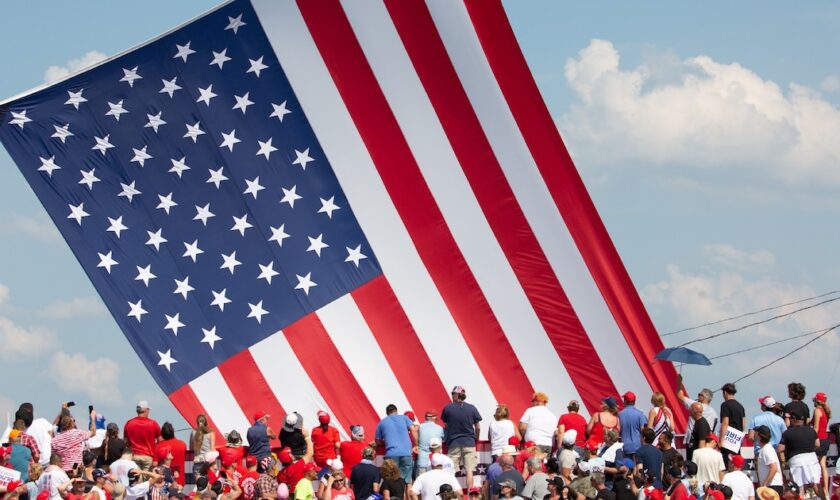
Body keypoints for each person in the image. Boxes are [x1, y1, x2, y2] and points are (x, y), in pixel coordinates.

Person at [440, 386, 482, 489]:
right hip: (469, 442)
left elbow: (446, 425)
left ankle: (450, 495)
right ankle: (470, 494)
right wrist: (476, 438)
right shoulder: (472, 408)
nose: (451, 396)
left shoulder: (448, 408)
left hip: (454, 443)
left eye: (452, 394)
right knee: (469, 471)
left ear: (456, 395)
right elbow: (478, 427)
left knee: (450, 471)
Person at [777, 410, 819, 494]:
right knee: (816, 485)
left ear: (794, 419)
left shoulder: (787, 433)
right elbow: (817, 444)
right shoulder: (811, 430)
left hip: (796, 460)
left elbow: (780, 449)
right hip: (812, 459)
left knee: (798, 487)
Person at [376, 404, 418, 487]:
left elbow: (377, 441)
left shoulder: (382, 422)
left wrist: (386, 443)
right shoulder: (405, 418)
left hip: (391, 454)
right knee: (407, 482)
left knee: (391, 480)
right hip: (406, 453)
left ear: (387, 413)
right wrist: (416, 444)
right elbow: (413, 429)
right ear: (396, 411)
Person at [51, 404, 97, 473]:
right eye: (74, 420)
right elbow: (93, 432)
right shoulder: (77, 434)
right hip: (75, 469)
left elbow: (54, 456)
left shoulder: (54, 440)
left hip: (62, 471)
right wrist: (92, 418)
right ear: (71, 424)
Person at [676, 376, 719, 442]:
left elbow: (680, 395)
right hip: (706, 441)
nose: (698, 396)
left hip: (692, 440)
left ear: (703, 397)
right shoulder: (714, 413)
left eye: (699, 395)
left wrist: (679, 382)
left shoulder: (695, 405)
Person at [124, 401, 160, 471]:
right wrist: (156, 458)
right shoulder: (153, 423)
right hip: (148, 456)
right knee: (148, 481)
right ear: (146, 410)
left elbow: (126, 442)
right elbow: (160, 442)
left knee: (136, 480)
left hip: (134, 456)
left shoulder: (129, 423)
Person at [278, 429, 314, 496]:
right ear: (291, 457)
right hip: (301, 495)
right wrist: (307, 437)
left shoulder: (280, 475)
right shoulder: (297, 466)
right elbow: (310, 453)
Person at [718, 384, 746, 467]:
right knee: (736, 463)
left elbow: (725, 423)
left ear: (725, 392)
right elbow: (744, 424)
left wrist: (721, 441)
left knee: (727, 464)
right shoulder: (740, 406)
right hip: (737, 440)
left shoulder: (725, 405)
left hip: (728, 440)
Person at [811, 392, 831, 500]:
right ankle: (826, 490)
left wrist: (813, 438)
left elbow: (816, 427)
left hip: (819, 439)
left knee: (814, 464)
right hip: (826, 439)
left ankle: (816, 487)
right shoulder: (826, 411)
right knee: (823, 464)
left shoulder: (817, 410)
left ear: (817, 401)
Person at [753, 426, 783, 496]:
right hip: (771, 485)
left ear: (759, 436)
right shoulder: (766, 449)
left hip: (772, 486)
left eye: (756, 433)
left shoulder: (767, 450)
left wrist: (765, 484)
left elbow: (774, 468)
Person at [155, 421, 187, 486]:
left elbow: (155, 463)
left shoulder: (158, 446)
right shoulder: (183, 444)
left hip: (163, 481)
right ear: (173, 432)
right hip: (179, 480)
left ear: (163, 434)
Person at [617, 392, 646, 459]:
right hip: (637, 447)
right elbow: (643, 431)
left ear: (625, 401)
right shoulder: (640, 414)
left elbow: (618, 430)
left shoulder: (620, 415)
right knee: (637, 468)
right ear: (634, 401)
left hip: (625, 447)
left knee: (627, 468)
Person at [417, 409, 446, 475]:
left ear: (425, 417)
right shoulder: (440, 428)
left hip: (422, 461)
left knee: (421, 483)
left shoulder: (420, 427)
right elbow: (444, 440)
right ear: (435, 417)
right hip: (436, 463)